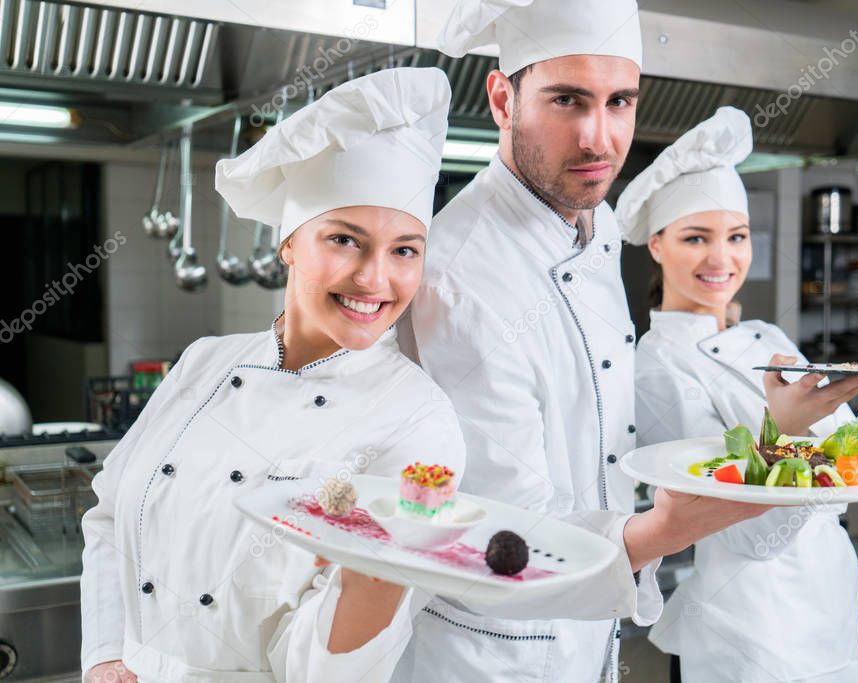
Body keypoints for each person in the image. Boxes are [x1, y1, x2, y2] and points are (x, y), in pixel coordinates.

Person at [397, 4, 768, 681]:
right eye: (567, 100)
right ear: (503, 98)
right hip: (491, 651)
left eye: (620, 101)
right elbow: (509, 531)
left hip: (587, 635)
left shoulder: (591, 231)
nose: (599, 138)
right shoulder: (461, 275)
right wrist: (675, 522)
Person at [80, 67, 463, 682]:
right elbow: (109, 515)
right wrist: (105, 656)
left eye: (405, 250)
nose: (375, 278)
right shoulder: (206, 360)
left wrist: (382, 570)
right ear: (288, 243)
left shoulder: (419, 422)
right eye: (345, 239)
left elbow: (335, 670)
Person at [617, 106, 858, 682]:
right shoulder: (653, 366)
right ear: (656, 245)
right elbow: (732, 525)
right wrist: (788, 433)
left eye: (737, 237)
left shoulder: (766, 337)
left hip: (828, 602)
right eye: (696, 238)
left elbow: (846, 462)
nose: (721, 259)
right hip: (746, 624)